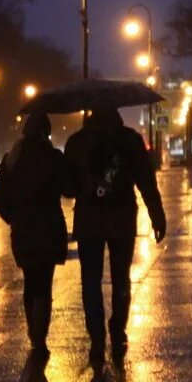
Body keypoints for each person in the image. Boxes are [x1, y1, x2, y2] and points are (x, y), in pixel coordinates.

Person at [64, 104, 166, 360]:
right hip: (122, 217)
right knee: (121, 278)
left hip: (89, 219)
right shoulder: (130, 140)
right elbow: (146, 179)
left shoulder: (77, 142)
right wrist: (157, 214)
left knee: (90, 280)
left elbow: (67, 187)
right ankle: (118, 330)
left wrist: (86, 184)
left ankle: (97, 338)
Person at [0, 112, 75, 361]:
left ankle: (34, 333)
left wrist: (14, 218)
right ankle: (39, 335)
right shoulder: (52, 157)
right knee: (43, 282)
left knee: (30, 281)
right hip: (48, 227)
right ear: (46, 133)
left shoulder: (11, 160)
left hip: (23, 229)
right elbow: (70, 189)